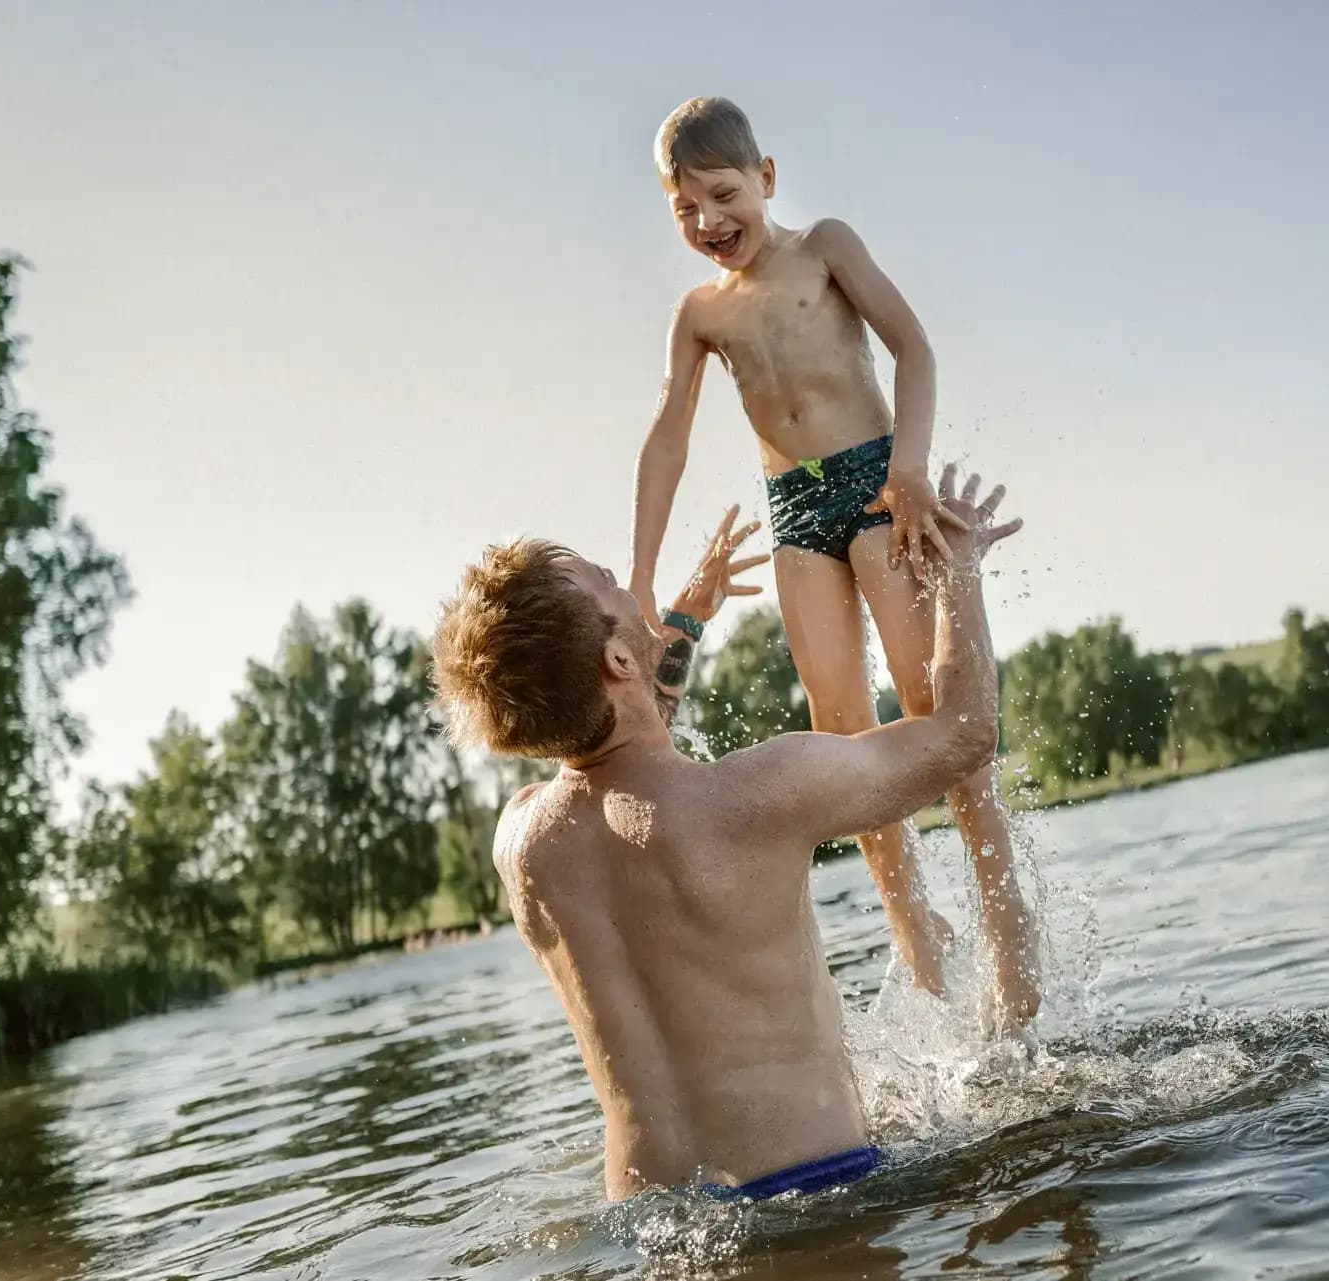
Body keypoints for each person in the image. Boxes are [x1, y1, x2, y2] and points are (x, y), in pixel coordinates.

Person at [433, 468, 1017, 1201]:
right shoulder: (754, 794)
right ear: (616, 662)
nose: (627, 587)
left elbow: (618, 761)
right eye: (613, 583)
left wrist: (680, 625)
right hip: (816, 1190)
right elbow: (962, 735)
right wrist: (958, 571)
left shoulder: (523, 846)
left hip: (651, 1226)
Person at [627, 96, 1037, 1027]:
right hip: (794, 511)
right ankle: (914, 936)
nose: (706, 223)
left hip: (877, 482)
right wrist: (643, 576)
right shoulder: (698, 315)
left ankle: (1003, 915)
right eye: (683, 210)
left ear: (765, 178)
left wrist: (911, 465)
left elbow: (914, 346)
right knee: (842, 731)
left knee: (932, 709)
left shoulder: (826, 248)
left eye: (722, 196)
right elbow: (667, 438)